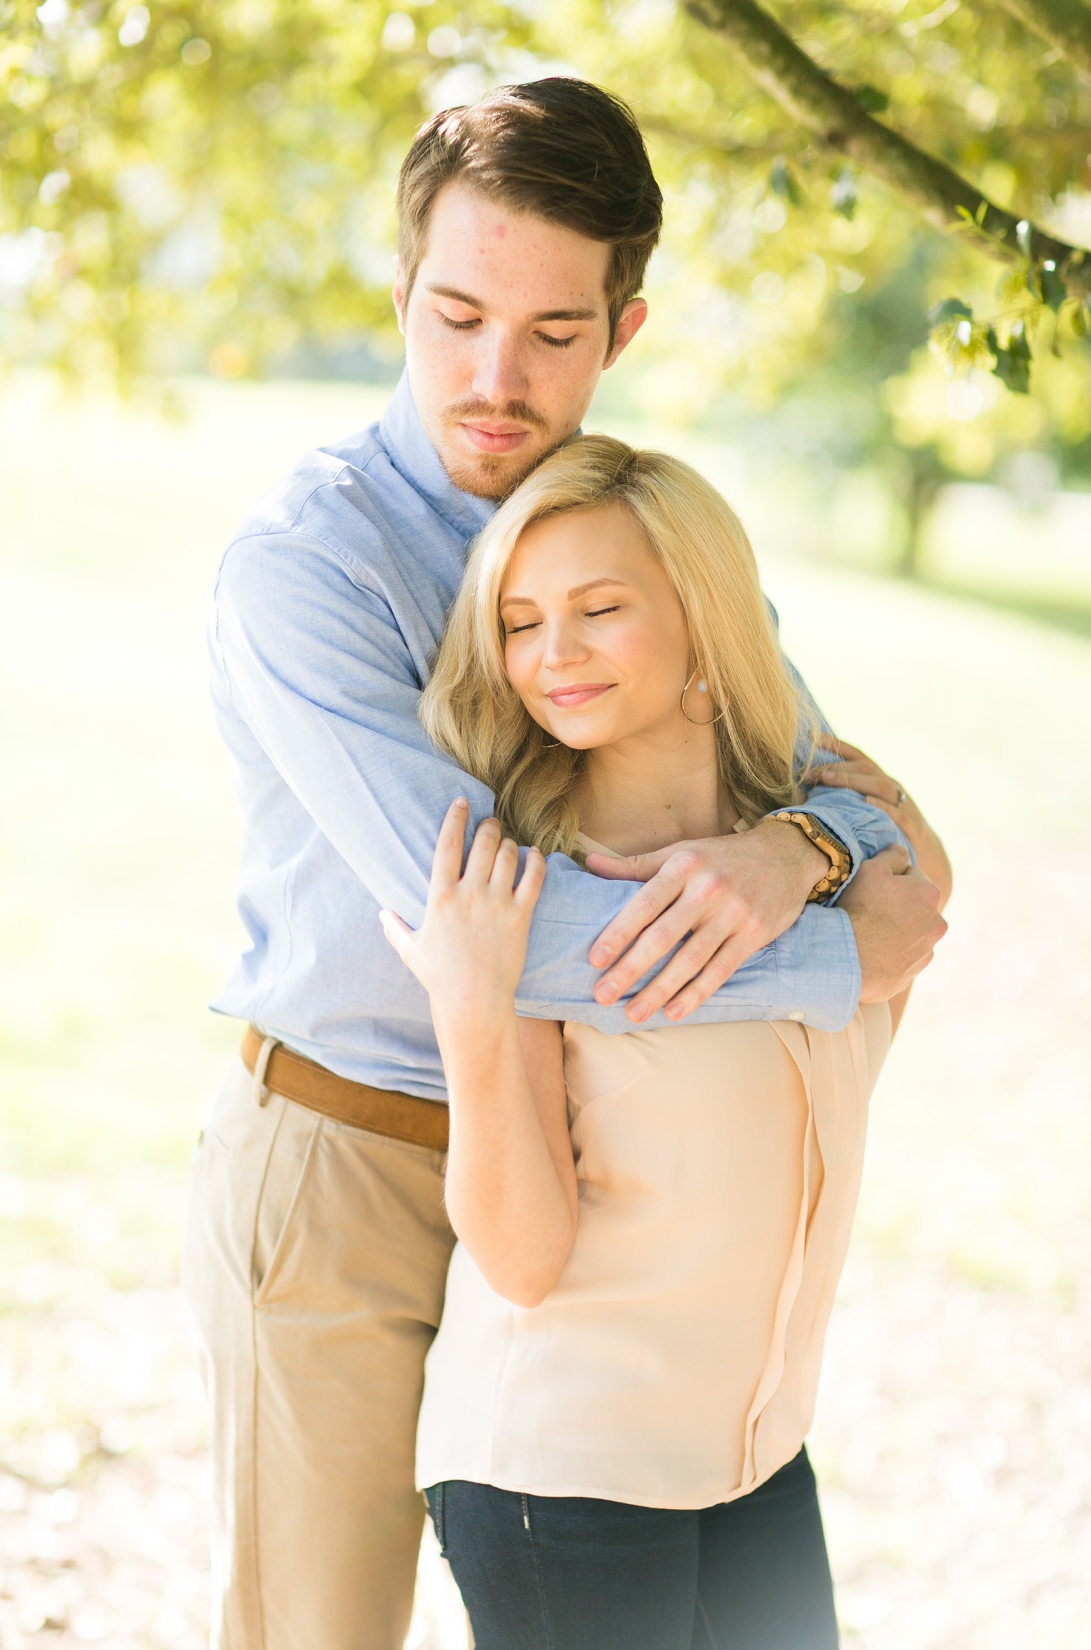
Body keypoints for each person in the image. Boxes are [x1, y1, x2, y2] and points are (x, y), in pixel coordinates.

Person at [182, 78, 947, 1650]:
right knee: (318, 1632)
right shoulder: (305, 565)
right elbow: (498, 935)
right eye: (456, 315)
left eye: (551, 333)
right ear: (401, 292)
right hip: (352, 1156)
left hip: (586, 1166)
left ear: (626, 328)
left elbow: (838, 787)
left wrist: (800, 843)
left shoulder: (633, 537)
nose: (493, 375)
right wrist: (834, 944)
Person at [381, 436, 951, 1649]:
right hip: (565, 1468)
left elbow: (921, 899)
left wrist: (803, 847)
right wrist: (477, 1011)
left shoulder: (822, 844)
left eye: (598, 609)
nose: (552, 656)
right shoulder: (530, 893)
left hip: (754, 1450)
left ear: (703, 619)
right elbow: (522, 1259)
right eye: (521, 623)